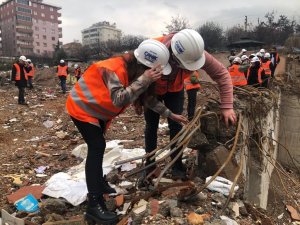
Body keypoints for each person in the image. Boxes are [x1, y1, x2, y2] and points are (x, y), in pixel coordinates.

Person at [65, 39, 187, 224]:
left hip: (98, 111)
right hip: (82, 107)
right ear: (144, 66)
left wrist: (171, 115)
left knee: (99, 146)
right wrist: (145, 79)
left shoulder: (133, 72)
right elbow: (119, 99)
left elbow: (148, 99)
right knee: (97, 147)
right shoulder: (112, 69)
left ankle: (99, 184)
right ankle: (94, 205)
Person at [142, 29, 236, 179]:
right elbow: (139, 88)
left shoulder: (193, 51)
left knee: (176, 126)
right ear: (173, 55)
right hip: (151, 90)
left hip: (175, 90)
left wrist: (227, 106)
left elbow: (222, 74)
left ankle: (176, 165)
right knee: (151, 126)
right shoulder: (151, 51)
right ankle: (150, 166)